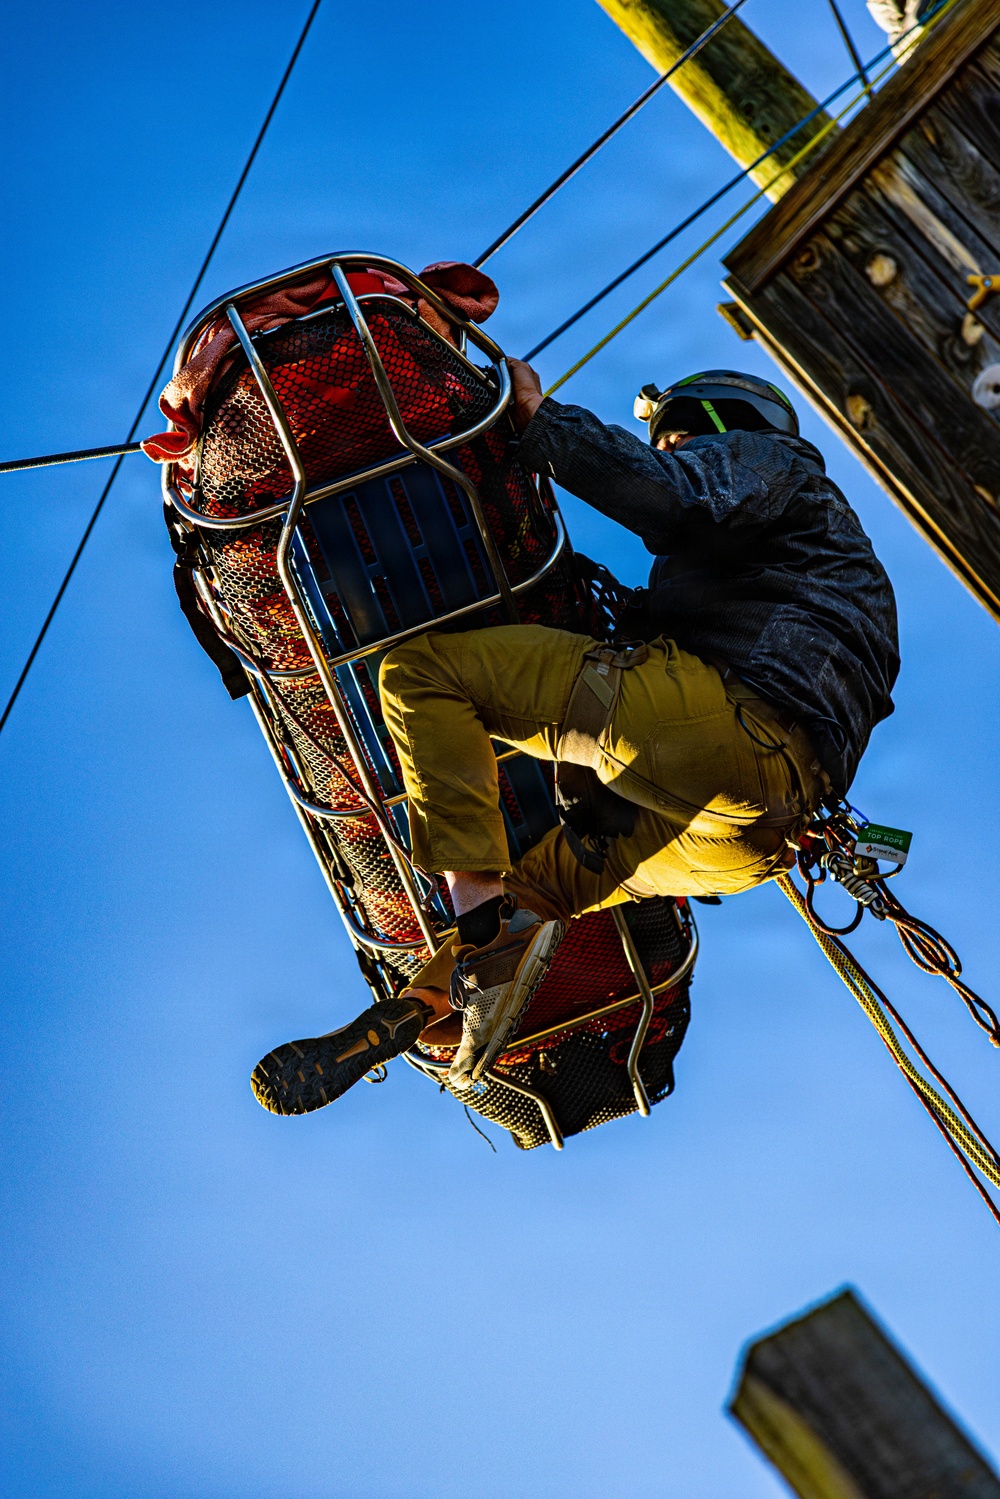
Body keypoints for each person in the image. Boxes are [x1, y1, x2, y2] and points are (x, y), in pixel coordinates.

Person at [251, 366, 899, 1117]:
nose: (673, 443)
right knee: (547, 894)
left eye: (680, 430)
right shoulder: (838, 569)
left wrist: (539, 420)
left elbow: (668, 492)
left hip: (705, 729)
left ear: (729, 420)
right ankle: (433, 1000)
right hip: (751, 836)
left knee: (423, 677)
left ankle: (472, 899)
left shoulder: (776, 463)